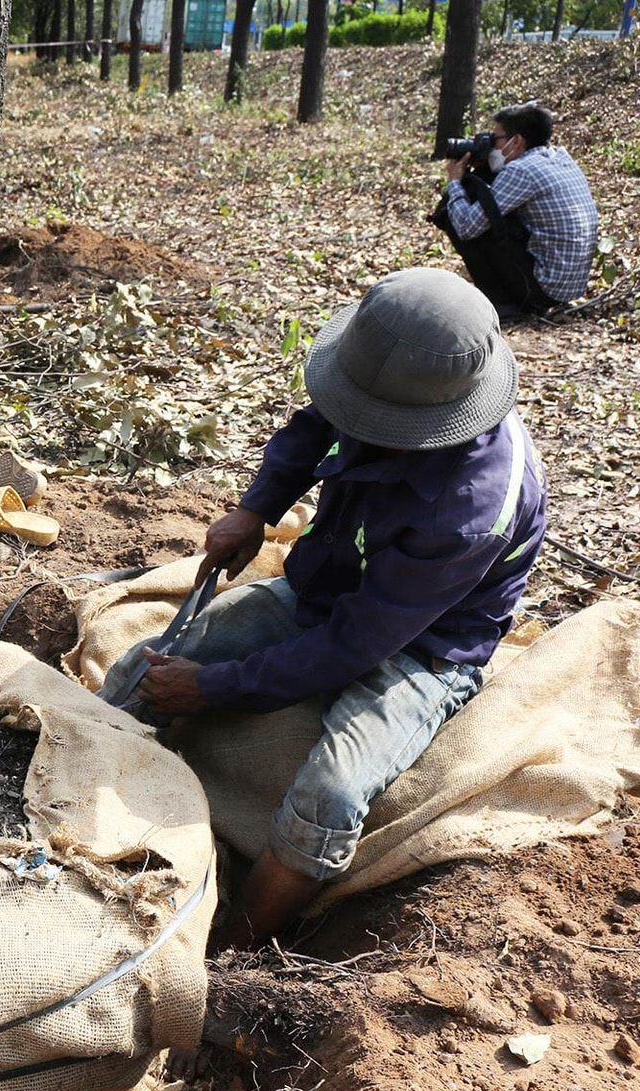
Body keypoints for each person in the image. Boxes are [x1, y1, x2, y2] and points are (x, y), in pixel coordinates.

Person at [131, 268, 547, 948]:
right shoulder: (380, 381)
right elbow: (310, 428)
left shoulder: (471, 509)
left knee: (330, 795)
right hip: (326, 580)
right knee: (139, 674)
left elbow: (355, 647)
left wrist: (212, 690)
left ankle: (235, 950)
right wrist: (255, 509)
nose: (355, 421)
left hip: (422, 648)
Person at [431, 102, 598, 321]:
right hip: (569, 288)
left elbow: (466, 227)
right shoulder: (561, 158)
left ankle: (504, 307)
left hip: (543, 291)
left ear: (517, 140)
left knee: (453, 213)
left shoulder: (520, 170)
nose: (491, 146)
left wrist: (455, 182)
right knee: (488, 211)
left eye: (495, 140)